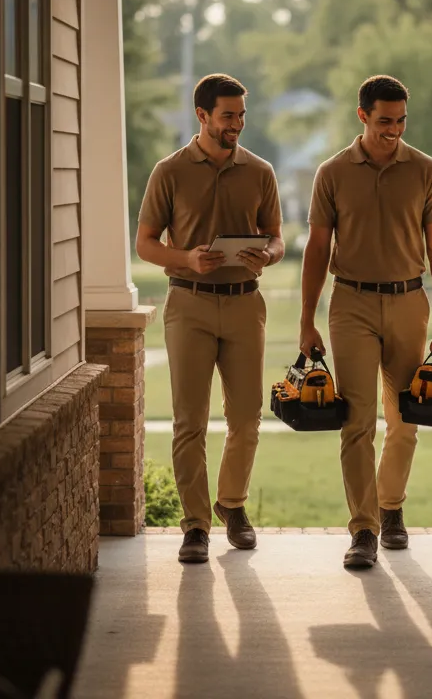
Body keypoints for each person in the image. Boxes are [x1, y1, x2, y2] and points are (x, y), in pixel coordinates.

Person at [299, 75, 432, 569]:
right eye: (384, 120)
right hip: (351, 305)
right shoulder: (332, 172)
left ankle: (391, 510)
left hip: (410, 302)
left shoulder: (425, 170)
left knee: (406, 418)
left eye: (401, 121)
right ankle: (363, 529)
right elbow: (318, 248)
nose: (394, 130)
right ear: (362, 115)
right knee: (356, 422)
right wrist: (307, 319)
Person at [135, 73, 284, 565]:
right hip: (189, 304)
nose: (237, 124)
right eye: (227, 116)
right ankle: (195, 525)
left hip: (245, 303)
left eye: (241, 115)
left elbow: (277, 237)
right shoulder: (170, 171)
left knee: (246, 418)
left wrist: (269, 253)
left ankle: (232, 504)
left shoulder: (260, 171)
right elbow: (145, 243)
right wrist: (186, 259)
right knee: (189, 422)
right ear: (202, 116)